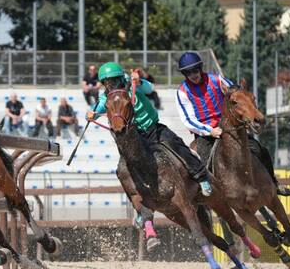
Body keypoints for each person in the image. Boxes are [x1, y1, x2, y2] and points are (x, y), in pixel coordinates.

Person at [87, 61, 213, 197]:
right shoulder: (106, 96)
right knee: (123, 167)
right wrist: (90, 114)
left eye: (113, 80)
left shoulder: (133, 83)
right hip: (136, 136)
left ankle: (201, 177)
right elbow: (98, 108)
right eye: (107, 82)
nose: (110, 84)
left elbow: (149, 89)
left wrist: (139, 81)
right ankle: (140, 206)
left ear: (120, 78)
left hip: (154, 129)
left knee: (177, 145)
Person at [175, 51, 290, 196]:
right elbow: (188, 119)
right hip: (206, 133)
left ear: (200, 68)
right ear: (184, 74)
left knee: (260, 149)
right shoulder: (182, 92)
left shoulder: (216, 79)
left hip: (228, 126)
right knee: (202, 158)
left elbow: (235, 92)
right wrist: (210, 131)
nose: (193, 74)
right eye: (188, 72)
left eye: (195, 70)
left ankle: (274, 184)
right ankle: (203, 192)